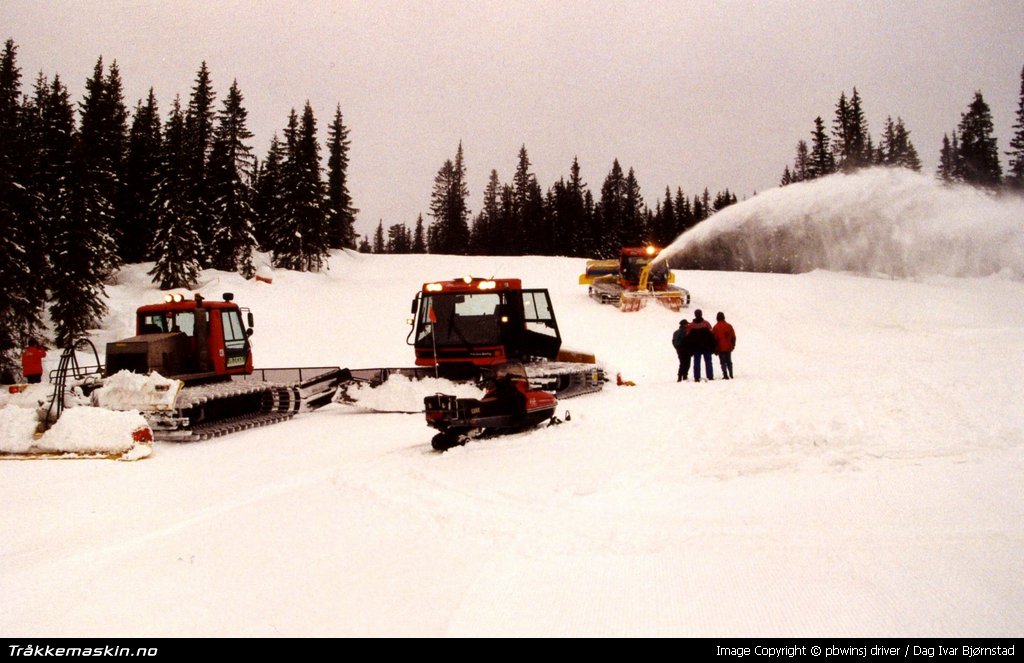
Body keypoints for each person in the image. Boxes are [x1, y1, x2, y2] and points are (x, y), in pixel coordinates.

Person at [686, 309, 715, 382]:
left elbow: (688, 337)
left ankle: (697, 377)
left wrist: (690, 348)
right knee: (708, 362)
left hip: (696, 348)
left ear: (695, 315)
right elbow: (712, 335)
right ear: (701, 314)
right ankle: (710, 376)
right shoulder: (706, 324)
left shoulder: (691, 325)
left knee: (696, 363)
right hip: (706, 347)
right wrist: (712, 346)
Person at [713, 311, 736, 380]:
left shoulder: (715, 327)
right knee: (729, 361)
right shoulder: (729, 326)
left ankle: (725, 374)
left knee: (722, 362)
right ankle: (731, 374)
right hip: (728, 346)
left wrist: (715, 348)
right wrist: (733, 345)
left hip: (720, 347)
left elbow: (714, 339)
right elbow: (733, 336)